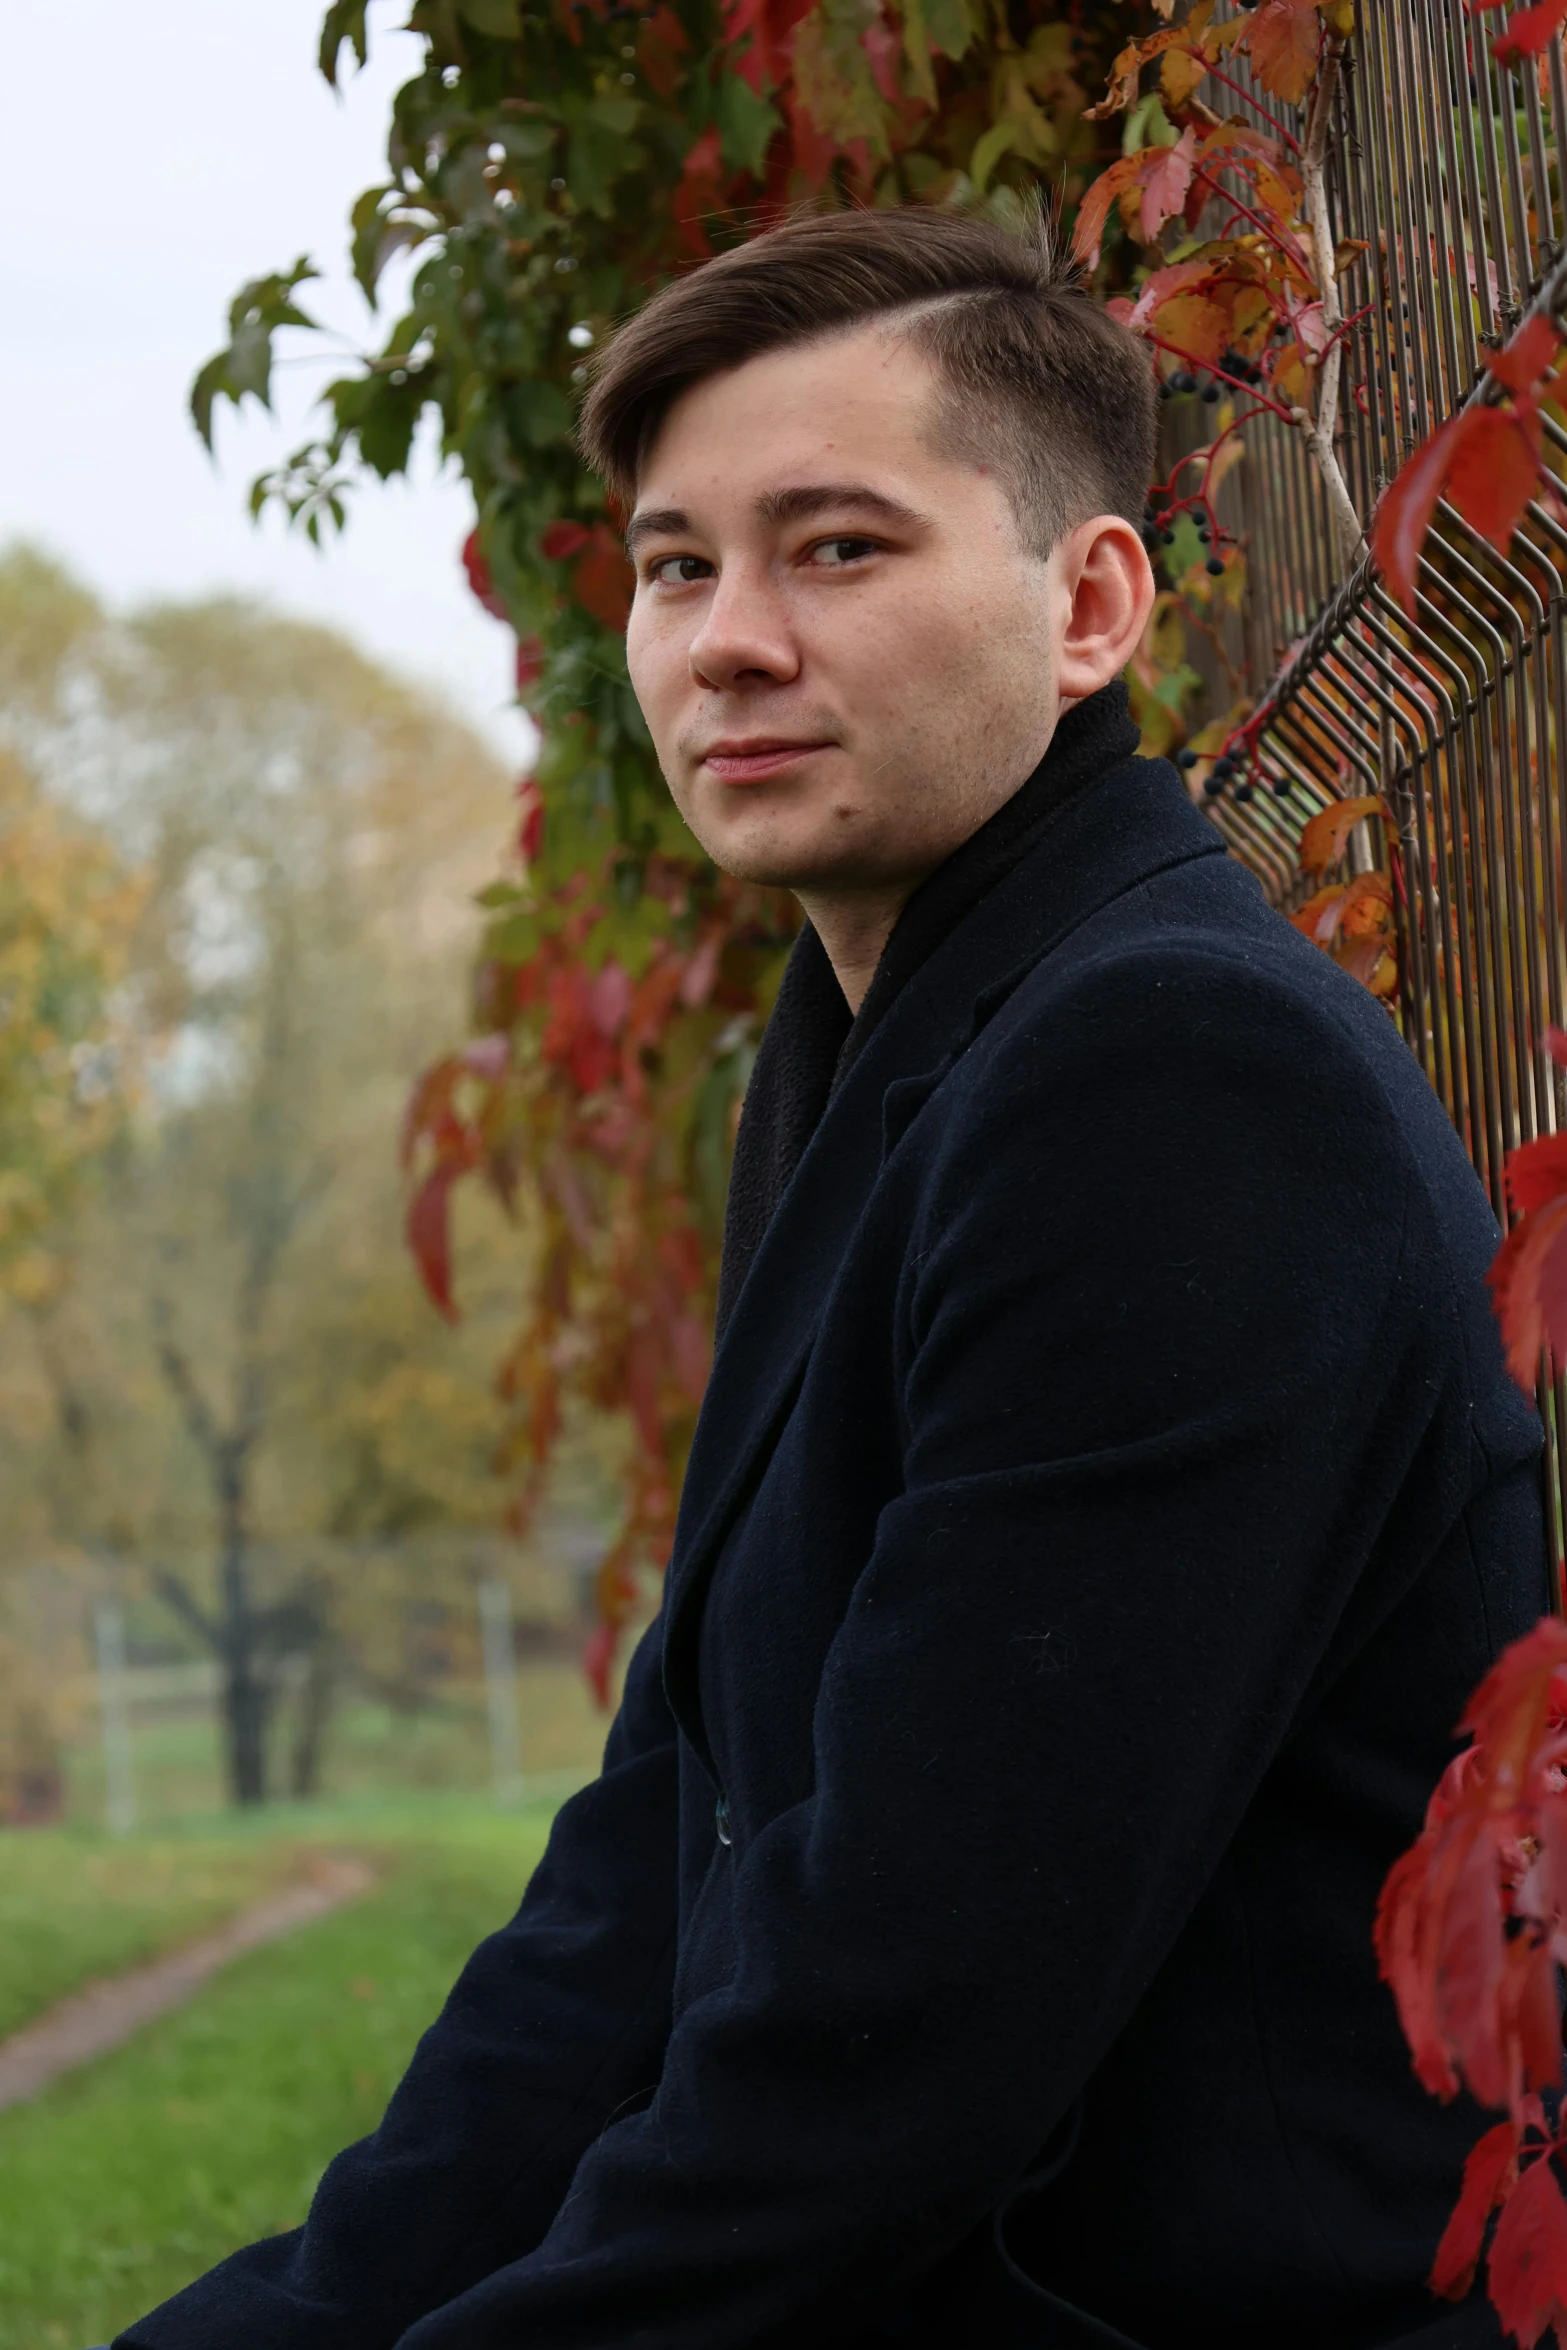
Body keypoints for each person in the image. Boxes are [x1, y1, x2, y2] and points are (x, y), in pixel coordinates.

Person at [115, 204, 1545, 2350]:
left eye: (839, 548)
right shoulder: (897, 1049)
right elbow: (654, 1877)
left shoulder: (1173, 1079)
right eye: (678, 564)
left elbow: (900, 2024)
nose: (725, 641)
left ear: (1087, 607)